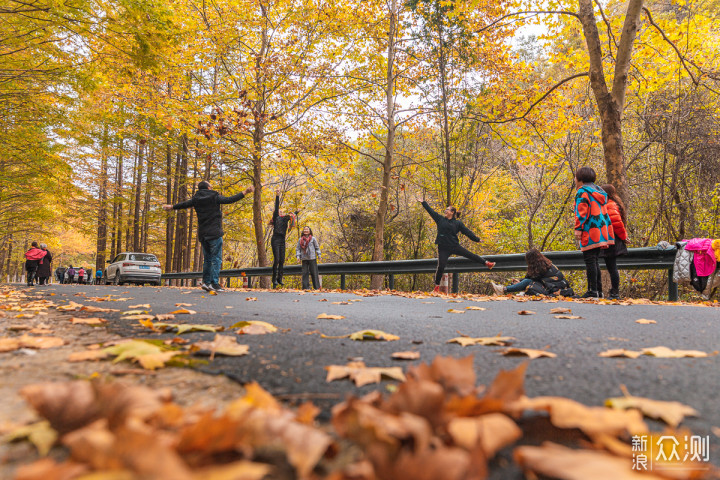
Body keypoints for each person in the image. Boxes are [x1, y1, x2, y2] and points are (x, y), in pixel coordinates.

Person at [163, 180, 254, 292]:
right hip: (214, 233)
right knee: (216, 259)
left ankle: (206, 283)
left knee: (207, 260)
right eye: (210, 185)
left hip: (203, 234)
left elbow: (184, 204)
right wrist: (245, 192)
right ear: (208, 188)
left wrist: (172, 207)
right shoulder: (214, 197)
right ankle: (214, 284)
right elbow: (230, 199)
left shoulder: (196, 199)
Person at [418, 199, 495, 294]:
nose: (445, 211)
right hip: (443, 248)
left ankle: (487, 263)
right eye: (445, 209)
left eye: (447, 209)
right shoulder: (440, 219)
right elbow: (431, 211)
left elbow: (467, 232)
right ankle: (436, 287)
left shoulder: (458, 223)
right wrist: (423, 202)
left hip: (454, 246)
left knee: (470, 254)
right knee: (441, 266)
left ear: (452, 212)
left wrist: (476, 239)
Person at [574, 167, 614, 298]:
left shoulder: (582, 192)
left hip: (590, 229)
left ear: (580, 179)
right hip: (602, 230)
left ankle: (592, 291)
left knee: (590, 261)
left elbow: (581, 213)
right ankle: (599, 291)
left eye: (576, 177)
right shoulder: (599, 191)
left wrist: (578, 229)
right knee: (594, 260)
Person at [492, 248, 572, 296]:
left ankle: (503, 289)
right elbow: (533, 279)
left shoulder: (539, 267)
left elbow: (529, 280)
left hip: (553, 291)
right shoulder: (546, 264)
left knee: (527, 282)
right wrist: (519, 281)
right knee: (527, 281)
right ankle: (503, 289)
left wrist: (520, 281)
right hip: (557, 288)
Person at [599, 184, 628, 300]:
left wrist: (624, 236)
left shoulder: (610, 205)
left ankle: (615, 292)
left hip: (612, 239)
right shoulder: (612, 203)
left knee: (612, 266)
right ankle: (614, 292)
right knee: (611, 266)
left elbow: (617, 224)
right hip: (612, 238)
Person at [268, 189, 297, 288]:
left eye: (281, 211)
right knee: (276, 259)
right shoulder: (276, 217)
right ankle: (274, 279)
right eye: (278, 211)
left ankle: (279, 278)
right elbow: (276, 207)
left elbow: (292, 216)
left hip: (282, 240)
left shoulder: (285, 219)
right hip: (275, 239)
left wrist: (297, 211)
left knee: (282, 260)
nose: (280, 211)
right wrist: (277, 195)